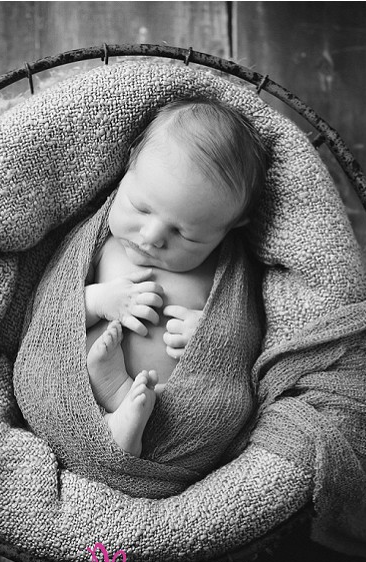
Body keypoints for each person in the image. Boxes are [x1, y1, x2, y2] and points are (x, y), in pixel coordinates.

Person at [84, 97, 268, 457]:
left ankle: (128, 421)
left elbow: (251, 336)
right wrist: (99, 301)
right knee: (88, 353)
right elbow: (52, 312)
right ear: (129, 164)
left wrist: (211, 336)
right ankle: (115, 410)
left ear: (227, 229)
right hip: (82, 391)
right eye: (140, 208)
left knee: (215, 413)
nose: (151, 236)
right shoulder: (101, 246)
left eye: (185, 234)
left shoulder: (223, 271)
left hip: (179, 414)